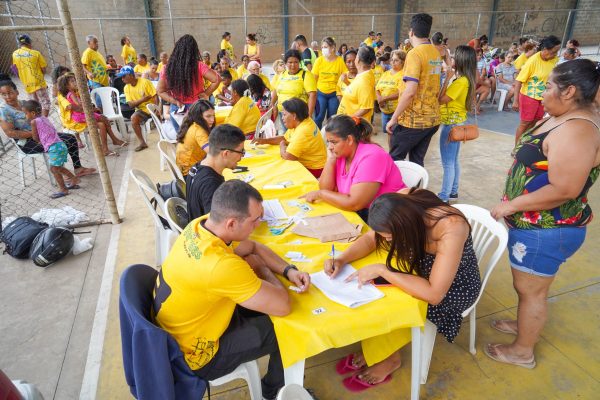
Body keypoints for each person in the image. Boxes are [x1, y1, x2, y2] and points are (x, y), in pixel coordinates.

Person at [488, 59, 600, 369]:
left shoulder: (578, 129)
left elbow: (565, 188)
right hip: (535, 225)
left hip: (547, 229)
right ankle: (525, 323)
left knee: (532, 291)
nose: (542, 92)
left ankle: (522, 351)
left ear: (570, 91)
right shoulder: (567, 115)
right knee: (529, 288)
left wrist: (511, 205)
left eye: (549, 86)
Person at [153, 180, 311, 400]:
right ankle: (274, 390)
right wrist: (263, 269)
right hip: (200, 355)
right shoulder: (220, 265)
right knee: (292, 328)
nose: (259, 225)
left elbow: (253, 247)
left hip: (190, 328)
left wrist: (288, 270)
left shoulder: (200, 227)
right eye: (255, 220)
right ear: (231, 223)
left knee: (266, 306)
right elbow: (283, 305)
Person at [327, 189, 481, 390]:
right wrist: (341, 259)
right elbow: (370, 239)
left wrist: (384, 270)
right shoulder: (403, 200)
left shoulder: (451, 227)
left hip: (454, 288)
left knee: (393, 303)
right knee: (377, 294)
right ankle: (379, 349)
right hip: (421, 272)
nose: (388, 242)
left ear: (405, 226)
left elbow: (434, 294)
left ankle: (389, 358)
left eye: (391, 238)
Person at [301, 115, 405, 221]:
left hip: (389, 217)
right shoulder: (342, 154)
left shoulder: (372, 156)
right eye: (328, 142)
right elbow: (326, 189)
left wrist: (321, 194)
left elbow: (354, 204)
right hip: (365, 212)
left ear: (350, 139)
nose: (330, 147)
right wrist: (331, 160)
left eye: (334, 142)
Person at [0, 77, 96, 177]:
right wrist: (35, 133)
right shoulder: (4, 110)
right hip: (26, 142)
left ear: (17, 92)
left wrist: (44, 130)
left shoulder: (24, 103)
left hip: (42, 135)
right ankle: (64, 176)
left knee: (70, 138)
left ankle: (78, 168)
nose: (8, 97)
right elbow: (10, 133)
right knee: (59, 144)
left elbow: (39, 116)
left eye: (10, 92)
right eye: (3, 94)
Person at [386, 13, 442, 166]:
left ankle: (398, 190)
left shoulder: (414, 54)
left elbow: (410, 92)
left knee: (394, 161)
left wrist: (394, 118)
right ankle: (416, 190)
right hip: (432, 119)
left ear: (411, 32)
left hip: (413, 121)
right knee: (417, 162)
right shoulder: (435, 52)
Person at [437, 45, 477, 203]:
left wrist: (447, 78)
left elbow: (441, 100)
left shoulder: (460, 82)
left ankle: (444, 196)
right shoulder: (467, 79)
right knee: (453, 161)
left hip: (451, 126)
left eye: (454, 57)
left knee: (448, 163)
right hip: (458, 123)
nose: (452, 59)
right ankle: (453, 192)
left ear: (461, 61)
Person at [157, 34, 220, 131]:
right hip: (197, 108)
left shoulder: (167, 68)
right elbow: (217, 79)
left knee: (182, 139)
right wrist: (206, 93)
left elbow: (160, 91)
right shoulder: (199, 66)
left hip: (178, 109)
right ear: (194, 51)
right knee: (201, 139)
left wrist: (175, 101)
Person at [253, 98, 326, 178]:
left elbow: (288, 157)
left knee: (275, 170)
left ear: (294, 116)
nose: (282, 118)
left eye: (284, 115)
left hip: (314, 168)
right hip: (316, 164)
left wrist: (282, 146)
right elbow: (284, 138)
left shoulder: (303, 130)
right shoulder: (303, 121)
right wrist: (263, 141)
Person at [186, 124, 246, 220]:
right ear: (226, 153)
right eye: (241, 151)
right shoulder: (211, 184)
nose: (242, 156)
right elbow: (217, 226)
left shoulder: (197, 166)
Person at [58, 73, 127, 156]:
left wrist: (88, 105)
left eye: (75, 80)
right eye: (72, 81)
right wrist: (85, 102)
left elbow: (82, 106)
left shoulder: (74, 93)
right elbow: (79, 105)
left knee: (102, 124)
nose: (75, 82)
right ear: (67, 86)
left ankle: (107, 148)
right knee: (104, 118)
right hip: (80, 117)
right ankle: (114, 140)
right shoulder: (71, 94)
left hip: (83, 114)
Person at [22, 100, 80, 198]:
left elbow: (35, 137)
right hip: (60, 145)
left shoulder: (33, 121)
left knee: (54, 169)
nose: (25, 116)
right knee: (57, 168)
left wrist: (38, 139)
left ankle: (64, 188)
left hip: (54, 147)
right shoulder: (44, 118)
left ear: (32, 113)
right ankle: (72, 179)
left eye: (25, 113)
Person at [513, 35, 561, 144]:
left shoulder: (553, 59)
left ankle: (525, 144)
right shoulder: (532, 61)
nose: (555, 54)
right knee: (525, 123)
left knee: (536, 122)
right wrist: (515, 100)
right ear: (544, 50)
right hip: (529, 97)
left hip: (543, 97)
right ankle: (516, 148)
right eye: (554, 51)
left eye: (557, 52)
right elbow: (518, 80)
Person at [119, 66, 157, 151]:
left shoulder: (145, 82)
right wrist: (143, 99)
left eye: (124, 76)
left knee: (161, 117)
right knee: (133, 118)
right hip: (141, 110)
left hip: (152, 108)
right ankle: (142, 143)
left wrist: (158, 110)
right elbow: (131, 105)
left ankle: (165, 136)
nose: (122, 79)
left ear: (131, 75)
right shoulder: (126, 88)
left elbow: (155, 97)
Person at [272, 49, 317, 122]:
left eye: (296, 62)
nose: (293, 65)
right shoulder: (282, 74)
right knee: (286, 133)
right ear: (286, 63)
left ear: (299, 62)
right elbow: (275, 91)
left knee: (299, 133)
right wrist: (272, 104)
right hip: (282, 113)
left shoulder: (306, 75)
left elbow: (313, 95)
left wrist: (309, 114)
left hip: (299, 115)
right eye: (290, 62)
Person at [312, 37, 347, 128]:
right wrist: (312, 94)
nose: (323, 49)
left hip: (334, 94)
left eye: (325, 47)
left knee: (332, 118)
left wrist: (344, 77)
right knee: (319, 117)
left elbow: (345, 75)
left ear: (332, 48)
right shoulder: (319, 61)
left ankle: (330, 138)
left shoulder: (339, 61)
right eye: (322, 47)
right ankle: (317, 137)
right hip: (321, 93)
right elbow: (314, 78)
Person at [12, 34, 50, 117]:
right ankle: (43, 121)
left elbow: (15, 68)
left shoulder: (15, 54)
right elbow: (43, 69)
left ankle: (36, 120)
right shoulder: (36, 53)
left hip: (27, 83)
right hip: (38, 82)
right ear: (29, 43)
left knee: (33, 104)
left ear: (20, 44)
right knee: (45, 102)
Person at [176, 99, 215, 177]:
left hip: (186, 168)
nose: (212, 120)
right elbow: (213, 153)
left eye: (213, 115)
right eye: (208, 116)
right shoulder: (199, 131)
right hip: (190, 173)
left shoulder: (192, 124)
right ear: (198, 116)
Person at [337, 46, 376, 122]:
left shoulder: (364, 81)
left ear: (358, 60)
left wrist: (349, 120)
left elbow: (366, 108)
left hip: (354, 125)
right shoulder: (364, 74)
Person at [376, 50, 406, 133]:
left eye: (396, 60)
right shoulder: (386, 73)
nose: (393, 62)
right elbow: (377, 88)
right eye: (392, 60)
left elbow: (401, 93)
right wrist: (379, 100)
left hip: (397, 112)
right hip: (384, 111)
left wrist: (384, 99)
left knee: (396, 134)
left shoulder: (404, 75)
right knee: (388, 133)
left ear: (403, 62)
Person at [474, 48, 491, 114]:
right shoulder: (471, 62)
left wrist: (481, 78)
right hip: (472, 82)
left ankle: (477, 106)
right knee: (476, 85)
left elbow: (484, 72)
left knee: (487, 89)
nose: (479, 57)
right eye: (477, 55)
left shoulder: (482, 61)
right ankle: (475, 107)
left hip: (480, 79)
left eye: (480, 55)